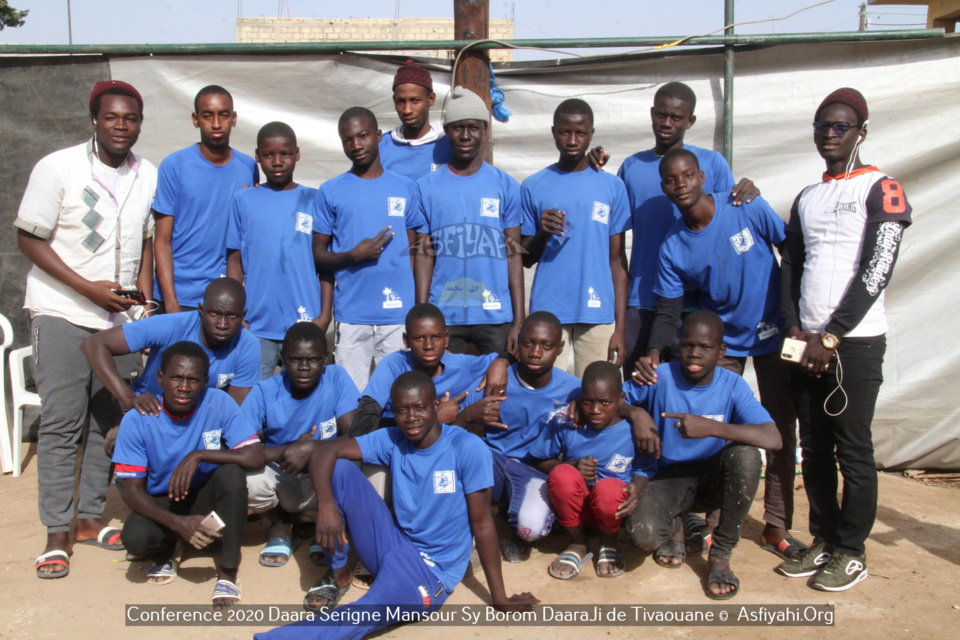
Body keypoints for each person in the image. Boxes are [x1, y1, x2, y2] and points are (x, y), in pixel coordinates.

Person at [255, 370, 538, 640]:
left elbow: (482, 523)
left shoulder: (466, 447)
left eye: (419, 408)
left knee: (363, 614)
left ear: (436, 405)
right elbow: (327, 450)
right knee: (341, 469)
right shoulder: (393, 439)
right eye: (402, 410)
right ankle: (338, 572)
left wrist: (499, 599)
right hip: (391, 546)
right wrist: (326, 508)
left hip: (428, 572)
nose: (411, 418)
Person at [16, 80, 157, 579]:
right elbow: (28, 239)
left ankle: (89, 517)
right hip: (60, 309)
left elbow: (144, 242)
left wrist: (141, 300)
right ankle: (57, 530)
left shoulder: (147, 174)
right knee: (61, 422)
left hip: (116, 319)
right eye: (112, 117)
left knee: (110, 418)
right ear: (94, 120)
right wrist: (86, 288)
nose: (122, 126)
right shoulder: (58, 167)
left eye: (131, 119)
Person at [633, 147, 800, 560]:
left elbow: (792, 250)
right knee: (718, 426)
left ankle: (776, 525)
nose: (681, 185)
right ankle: (711, 520)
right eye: (671, 180)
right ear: (664, 188)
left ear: (703, 177)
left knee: (780, 428)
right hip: (724, 342)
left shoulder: (746, 206)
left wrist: (797, 320)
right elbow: (670, 311)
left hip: (778, 333)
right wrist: (654, 350)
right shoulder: (673, 247)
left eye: (687, 176)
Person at [777, 88, 912, 591]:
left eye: (839, 127)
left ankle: (852, 551)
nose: (828, 135)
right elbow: (791, 264)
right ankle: (824, 539)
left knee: (852, 448)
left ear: (861, 131)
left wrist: (831, 336)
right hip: (805, 340)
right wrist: (795, 326)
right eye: (821, 126)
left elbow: (877, 270)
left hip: (853, 344)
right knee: (812, 447)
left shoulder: (883, 188)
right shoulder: (809, 196)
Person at [587, 81, 758, 375]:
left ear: (690, 121)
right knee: (639, 386)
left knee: (689, 391)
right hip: (643, 299)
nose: (667, 123)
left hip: (699, 301)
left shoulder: (712, 163)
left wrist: (750, 189)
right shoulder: (631, 166)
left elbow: (732, 216)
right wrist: (588, 166)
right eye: (661, 114)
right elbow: (614, 238)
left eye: (676, 117)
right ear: (652, 114)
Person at [623, 311, 781, 599]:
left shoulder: (731, 384)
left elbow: (773, 438)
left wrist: (711, 427)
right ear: (678, 345)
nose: (694, 354)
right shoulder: (659, 376)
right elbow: (612, 398)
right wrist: (635, 413)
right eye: (687, 345)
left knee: (747, 456)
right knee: (643, 536)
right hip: (667, 475)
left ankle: (720, 554)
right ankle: (676, 527)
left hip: (711, 476)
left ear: (721, 351)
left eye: (705, 347)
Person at [112, 341, 266, 607]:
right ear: (160, 378)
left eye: (193, 380)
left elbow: (255, 455)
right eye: (176, 378)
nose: (184, 387)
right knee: (135, 539)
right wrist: (177, 522)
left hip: (205, 497)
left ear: (205, 382)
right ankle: (168, 551)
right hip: (161, 500)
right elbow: (132, 492)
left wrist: (199, 455)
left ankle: (228, 572)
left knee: (230, 472)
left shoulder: (218, 402)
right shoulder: (138, 419)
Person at [313, 107, 427, 389]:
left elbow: (416, 248)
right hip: (352, 317)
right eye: (347, 139)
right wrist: (353, 255)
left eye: (362, 136)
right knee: (352, 402)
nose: (356, 145)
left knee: (399, 398)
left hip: (397, 317)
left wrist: (416, 304)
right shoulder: (331, 191)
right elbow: (318, 256)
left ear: (378, 136)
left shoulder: (405, 187)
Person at [455, 311, 581, 561]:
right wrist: (470, 414)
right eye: (528, 343)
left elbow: (611, 405)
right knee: (464, 455)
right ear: (518, 343)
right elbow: (448, 423)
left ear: (560, 348)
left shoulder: (573, 389)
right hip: (493, 462)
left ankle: (514, 520)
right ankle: (462, 535)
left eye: (546, 345)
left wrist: (634, 413)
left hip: (537, 470)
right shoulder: (497, 379)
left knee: (531, 529)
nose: (535, 352)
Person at [520, 99, 630, 377]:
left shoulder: (612, 186)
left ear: (591, 133)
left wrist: (620, 327)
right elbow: (525, 259)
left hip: (598, 315)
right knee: (546, 397)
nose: (572, 140)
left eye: (580, 133)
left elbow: (617, 262)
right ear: (553, 131)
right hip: (548, 314)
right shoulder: (533, 185)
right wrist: (543, 232)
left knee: (598, 398)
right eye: (564, 132)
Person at [414, 86, 524, 355]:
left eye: (473, 127)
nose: (465, 136)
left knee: (497, 390)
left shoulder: (505, 185)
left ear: (485, 130)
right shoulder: (425, 187)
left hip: (496, 316)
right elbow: (424, 254)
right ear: (447, 131)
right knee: (445, 393)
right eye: (457, 127)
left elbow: (513, 255)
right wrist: (422, 311)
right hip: (444, 316)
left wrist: (520, 319)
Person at [242, 322, 358, 567]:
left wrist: (314, 447)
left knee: (356, 464)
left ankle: (323, 525)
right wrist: (289, 449)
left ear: (325, 358)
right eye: (295, 359)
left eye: (313, 359)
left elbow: (356, 436)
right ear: (283, 358)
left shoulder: (337, 378)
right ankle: (280, 523)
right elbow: (241, 449)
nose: (304, 367)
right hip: (284, 475)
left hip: (323, 478)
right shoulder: (265, 390)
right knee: (241, 479)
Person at [226, 121, 328, 379]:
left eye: (284, 153)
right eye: (269, 155)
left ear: (297, 154)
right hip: (257, 325)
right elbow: (235, 261)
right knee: (254, 395)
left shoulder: (315, 199)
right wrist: (238, 316)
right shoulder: (243, 200)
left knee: (305, 397)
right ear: (257, 156)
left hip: (306, 321)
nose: (277, 161)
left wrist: (325, 315)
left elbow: (327, 263)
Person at [80, 278, 260, 423]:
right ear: (201, 310)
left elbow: (233, 411)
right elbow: (94, 344)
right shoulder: (170, 325)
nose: (222, 324)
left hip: (199, 421)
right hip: (149, 412)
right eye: (214, 314)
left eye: (232, 316)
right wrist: (129, 398)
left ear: (243, 315)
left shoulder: (247, 345)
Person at [153, 85, 259, 313]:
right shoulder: (174, 166)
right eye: (207, 115)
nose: (217, 123)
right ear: (195, 119)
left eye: (224, 114)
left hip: (226, 297)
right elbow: (161, 241)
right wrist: (171, 302)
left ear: (234, 118)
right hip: (180, 295)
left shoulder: (248, 167)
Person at [530, 361, 640, 580]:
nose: (595, 410)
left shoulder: (632, 431)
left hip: (613, 510)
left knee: (609, 489)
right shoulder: (567, 422)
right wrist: (572, 465)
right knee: (562, 474)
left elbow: (646, 470)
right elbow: (539, 459)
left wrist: (636, 487)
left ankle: (609, 541)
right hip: (574, 511)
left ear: (620, 400)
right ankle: (577, 542)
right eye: (588, 401)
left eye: (605, 402)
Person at [353, 303, 510, 436]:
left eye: (436, 337)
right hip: (396, 443)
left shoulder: (461, 364)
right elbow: (361, 425)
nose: (428, 346)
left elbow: (517, 358)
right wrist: (431, 419)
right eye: (419, 338)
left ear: (446, 338)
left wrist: (500, 363)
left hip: (443, 445)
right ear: (406, 340)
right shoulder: (393, 365)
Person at [378, 59, 451, 181]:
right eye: (401, 101)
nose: (407, 110)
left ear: (431, 99)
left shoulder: (449, 146)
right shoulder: (381, 147)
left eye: (415, 100)